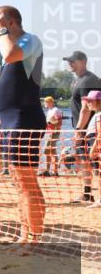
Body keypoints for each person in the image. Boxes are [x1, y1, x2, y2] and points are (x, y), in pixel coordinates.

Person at [0, 6, 47, 248]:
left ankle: (35, 238)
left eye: (0, 21)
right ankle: (24, 234)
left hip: (24, 118)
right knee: (17, 180)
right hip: (9, 121)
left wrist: (2, 31)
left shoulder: (30, 40)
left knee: (27, 180)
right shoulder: (6, 42)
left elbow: (10, 56)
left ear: (11, 22)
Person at [65, 51, 101, 203]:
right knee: (84, 161)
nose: (70, 63)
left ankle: (95, 196)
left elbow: (86, 108)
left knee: (95, 163)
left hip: (91, 129)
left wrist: (79, 131)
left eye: (73, 61)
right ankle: (87, 194)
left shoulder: (88, 80)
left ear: (83, 62)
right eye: (69, 61)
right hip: (85, 129)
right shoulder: (80, 80)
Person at [83, 91, 101, 208]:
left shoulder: (99, 115)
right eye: (87, 100)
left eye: (91, 100)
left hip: (97, 145)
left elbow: (100, 133)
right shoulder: (97, 114)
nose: (88, 103)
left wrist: (93, 148)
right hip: (95, 142)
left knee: (99, 173)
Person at [42, 96, 62, 177]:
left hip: (54, 133)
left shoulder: (56, 110)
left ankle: (55, 172)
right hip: (48, 132)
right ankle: (47, 171)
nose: (44, 104)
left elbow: (59, 123)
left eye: (46, 102)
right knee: (46, 152)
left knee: (52, 152)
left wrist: (51, 123)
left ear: (51, 102)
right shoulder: (50, 110)